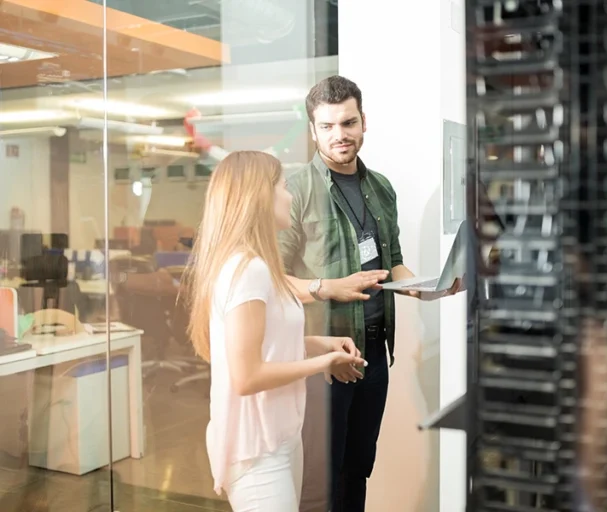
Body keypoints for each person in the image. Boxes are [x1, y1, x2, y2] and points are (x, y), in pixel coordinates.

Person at [277, 75, 463, 512]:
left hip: (375, 351)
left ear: (363, 122)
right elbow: (274, 277)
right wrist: (326, 288)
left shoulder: (381, 187)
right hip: (323, 355)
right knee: (320, 475)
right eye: (327, 126)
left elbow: (392, 260)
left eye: (348, 122)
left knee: (358, 465)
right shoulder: (296, 191)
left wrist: (424, 289)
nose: (339, 135)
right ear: (313, 130)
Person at [182, 151, 367, 512]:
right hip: (257, 451)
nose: (290, 195)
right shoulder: (246, 270)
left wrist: (317, 345)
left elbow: (266, 344)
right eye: (283, 186)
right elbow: (247, 376)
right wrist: (323, 362)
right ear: (260, 197)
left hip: (280, 437)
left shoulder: (258, 267)